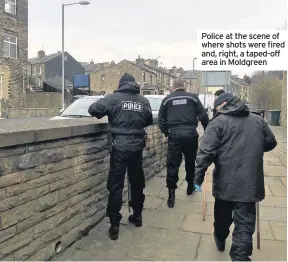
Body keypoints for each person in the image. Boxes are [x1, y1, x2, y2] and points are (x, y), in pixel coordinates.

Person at [193, 93, 277, 261]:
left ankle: (220, 238)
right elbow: (271, 142)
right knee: (245, 225)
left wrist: (198, 178)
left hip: (225, 182)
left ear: (222, 106)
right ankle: (240, 257)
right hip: (250, 183)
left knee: (222, 218)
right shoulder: (258, 121)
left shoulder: (217, 123)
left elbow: (205, 153)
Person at [88, 72, 153, 240]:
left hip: (119, 147)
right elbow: (148, 120)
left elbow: (93, 109)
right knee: (137, 181)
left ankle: (115, 224)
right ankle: (137, 215)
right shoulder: (143, 100)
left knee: (116, 185)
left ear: (120, 85)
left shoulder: (113, 98)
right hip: (137, 146)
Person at [158, 78, 209, 208]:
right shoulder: (193, 98)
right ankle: (190, 186)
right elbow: (203, 116)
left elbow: (161, 119)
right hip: (190, 134)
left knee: (172, 164)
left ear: (173, 86)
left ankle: (171, 196)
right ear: (184, 86)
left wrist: (166, 132)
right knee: (190, 162)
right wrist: (208, 131)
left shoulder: (167, 99)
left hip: (174, 135)